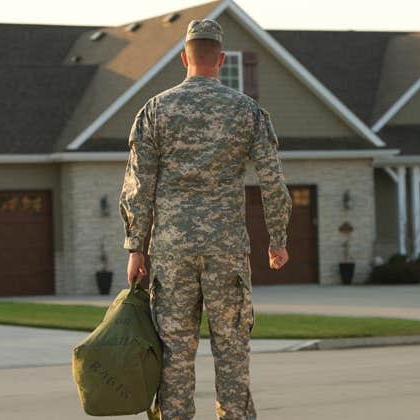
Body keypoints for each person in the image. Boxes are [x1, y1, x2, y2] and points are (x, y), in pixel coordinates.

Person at [119, 18, 292, 420]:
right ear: (222, 60)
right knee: (232, 348)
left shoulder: (155, 110)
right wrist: (277, 239)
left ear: (184, 58)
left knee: (174, 351)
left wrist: (135, 247)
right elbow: (273, 182)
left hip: (171, 250)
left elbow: (138, 185)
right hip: (226, 249)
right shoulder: (248, 112)